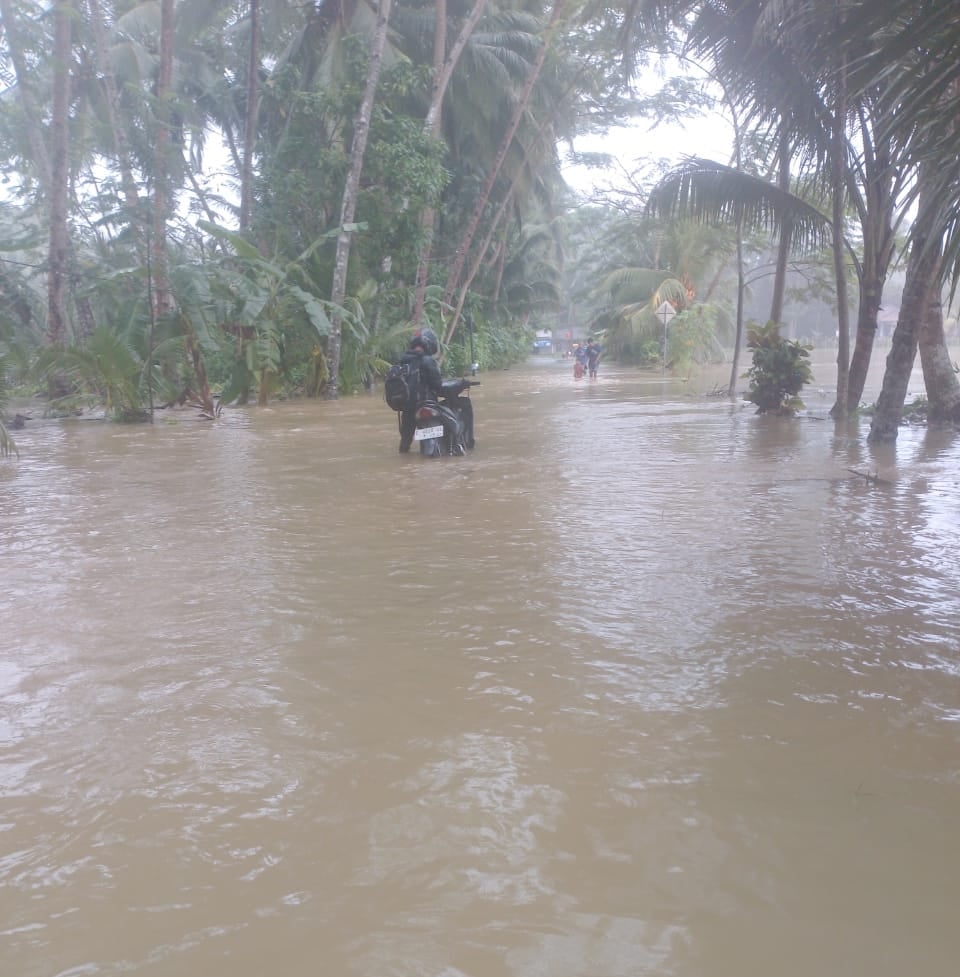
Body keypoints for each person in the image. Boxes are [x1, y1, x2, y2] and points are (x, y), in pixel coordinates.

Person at [397, 328, 444, 453]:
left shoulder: (403, 361)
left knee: (404, 445)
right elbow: (438, 385)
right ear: (430, 345)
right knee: (434, 444)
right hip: (425, 405)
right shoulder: (428, 360)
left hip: (407, 408)